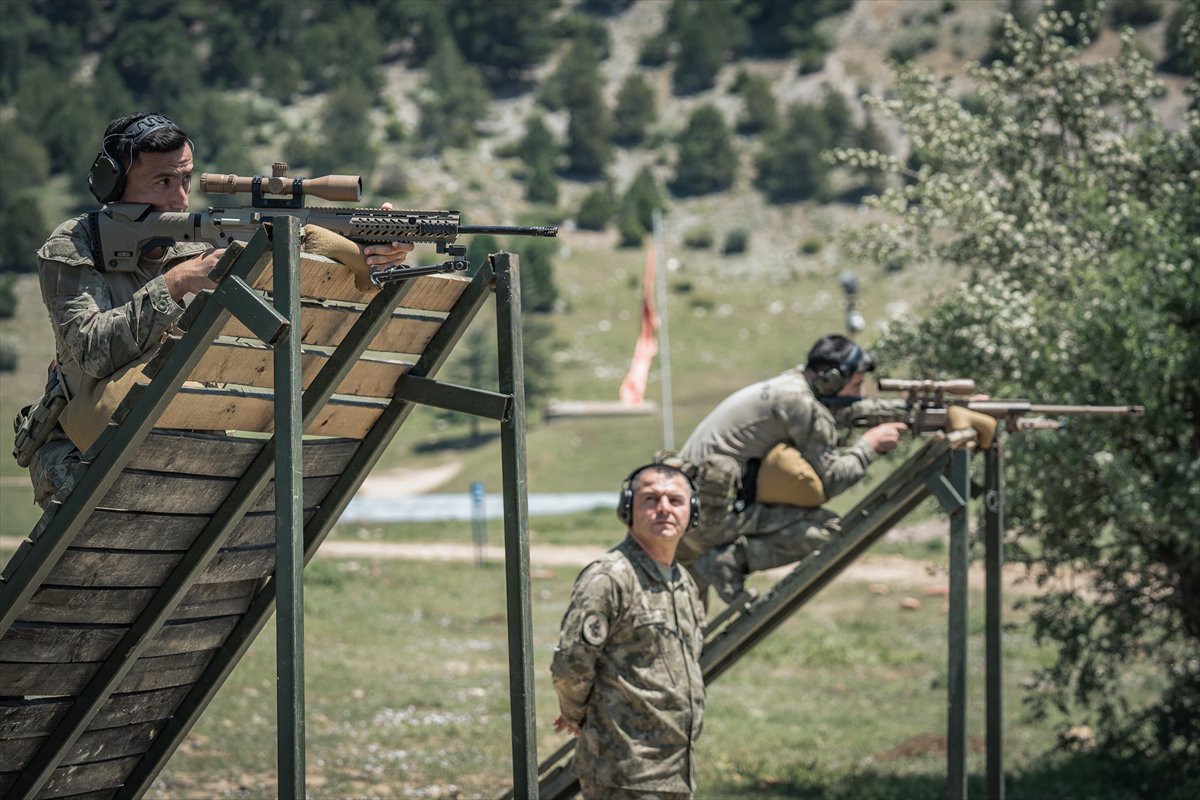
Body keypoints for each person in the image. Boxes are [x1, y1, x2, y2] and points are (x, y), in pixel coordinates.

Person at [18, 111, 413, 508]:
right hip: (86, 457)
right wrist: (177, 282)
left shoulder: (195, 244)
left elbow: (308, 302)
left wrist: (368, 252)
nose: (180, 198)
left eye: (186, 179)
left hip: (178, 444)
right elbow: (92, 350)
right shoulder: (74, 245)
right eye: (163, 181)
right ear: (113, 184)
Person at [678, 334, 908, 602]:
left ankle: (720, 562)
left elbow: (848, 410)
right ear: (830, 380)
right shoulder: (801, 404)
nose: (862, 393)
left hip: (688, 511)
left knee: (689, 628)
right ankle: (730, 561)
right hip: (711, 520)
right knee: (828, 532)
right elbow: (832, 479)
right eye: (857, 385)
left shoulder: (790, 386)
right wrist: (870, 445)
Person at [551, 463, 707, 800]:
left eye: (675, 500)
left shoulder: (683, 582)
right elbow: (571, 662)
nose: (664, 508)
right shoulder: (610, 578)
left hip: (675, 770)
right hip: (624, 772)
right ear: (628, 508)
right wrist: (575, 714)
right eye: (651, 499)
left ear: (691, 511)